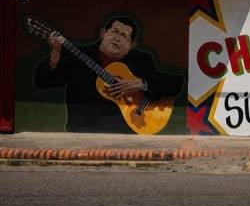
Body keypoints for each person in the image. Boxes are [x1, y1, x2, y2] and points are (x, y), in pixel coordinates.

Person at [34, 15, 184, 133]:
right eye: (115, 32)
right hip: (83, 132)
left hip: (126, 132)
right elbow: (43, 82)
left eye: (124, 36)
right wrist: (56, 52)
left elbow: (174, 84)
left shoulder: (141, 60)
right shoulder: (78, 55)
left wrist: (141, 84)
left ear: (132, 45)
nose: (117, 38)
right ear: (103, 33)